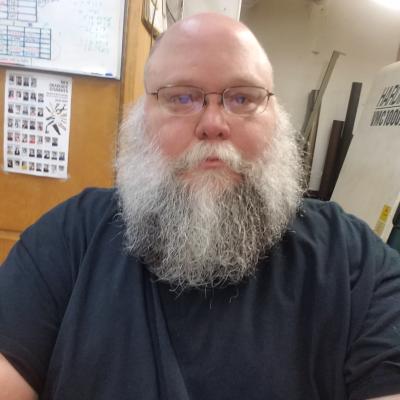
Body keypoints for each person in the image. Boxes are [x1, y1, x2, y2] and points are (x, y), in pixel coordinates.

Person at [0, 13, 400, 400]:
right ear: (141, 118)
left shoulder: (351, 260)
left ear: (277, 117)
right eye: (182, 97)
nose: (213, 123)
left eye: (242, 98)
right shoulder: (69, 239)